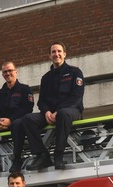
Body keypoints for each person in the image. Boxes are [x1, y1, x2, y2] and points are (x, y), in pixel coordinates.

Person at [11, 41, 84, 171]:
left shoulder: (75, 72)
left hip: (71, 111)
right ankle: (42, 155)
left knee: (63, 114)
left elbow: (76, 97)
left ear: (65, 54)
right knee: (27, 119)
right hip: (50, 114)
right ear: (49, 56)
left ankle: (58, 155)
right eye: (53, 52)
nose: (56, 54)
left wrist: (58, 111)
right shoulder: (46, 78)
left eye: (59, 51)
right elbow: (42, 101)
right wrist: (46, 112)